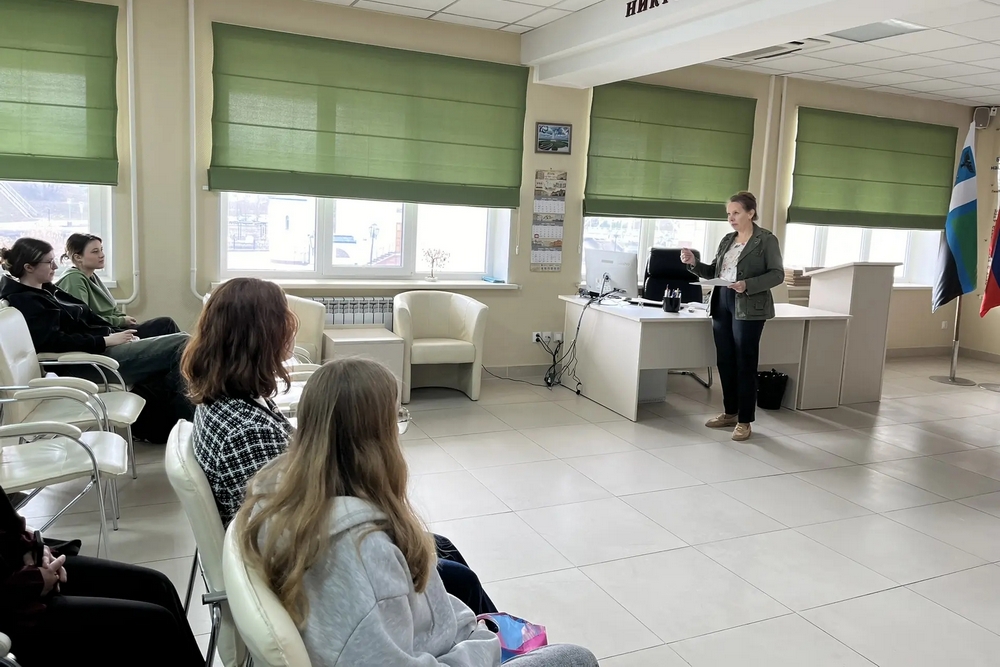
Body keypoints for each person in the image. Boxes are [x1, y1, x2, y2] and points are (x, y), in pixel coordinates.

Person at [235, 359, 599, 667]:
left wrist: (474, 632)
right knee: (576, 657)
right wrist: (482, 645)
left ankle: (505, 636)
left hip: (437, 639)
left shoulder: (283, 500)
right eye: (394, 420)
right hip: (447, 653)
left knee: (448, 558)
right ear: (375, 440)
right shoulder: (365, 557)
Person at [183, 278, 496, 616]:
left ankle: (507, 634)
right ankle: (505, 636)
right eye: (283, 321)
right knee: (460, 578)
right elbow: (290, 532)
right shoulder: (248, 434)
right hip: (313, 574)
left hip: (306, 547)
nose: (290, 329)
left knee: (443, 547)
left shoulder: (224, 401)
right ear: (261, 337)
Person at [0, 484, 204, 666]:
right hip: (12, 610)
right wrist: (31, 581)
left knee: (157, 586)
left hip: (18, 568)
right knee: (157, 624)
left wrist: (36, 548)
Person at [0, 238, 194, 428]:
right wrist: (105, 340)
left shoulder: (48, 291)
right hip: (86, 361)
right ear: (29, 267)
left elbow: (88, 318)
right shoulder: (26, 301)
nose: (55, 267)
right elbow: (54, 341)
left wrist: (117, 333)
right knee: (183, 344)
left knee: (178, 344)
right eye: (49, 262)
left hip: (96, 350)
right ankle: (186, 424)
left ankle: (165, 421)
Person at [681, 191, 783, 441]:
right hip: (722, 301)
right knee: (725, 360)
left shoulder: (766, 240)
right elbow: (713, 271)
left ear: (751, 213)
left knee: (744, 362)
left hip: (748, 304)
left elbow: (777, 274)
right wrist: (693, 263)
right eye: (728, 213)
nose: (731, 218)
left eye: (736, 213)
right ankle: (730, 413)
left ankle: (745, 420)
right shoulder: (728, 239)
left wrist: (748, 284)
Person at [56, 233, 181, 340]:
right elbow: (85, 321)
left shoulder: (91, 276)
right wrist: (121, 321)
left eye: (101, 250)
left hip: (114, 329)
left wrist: (123, 319)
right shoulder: (74, 280)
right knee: (166, 325)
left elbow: (109, 310)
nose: (102, 255)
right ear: (78, 257)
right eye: (95, 252)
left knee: (168, 330)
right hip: (107, 335)